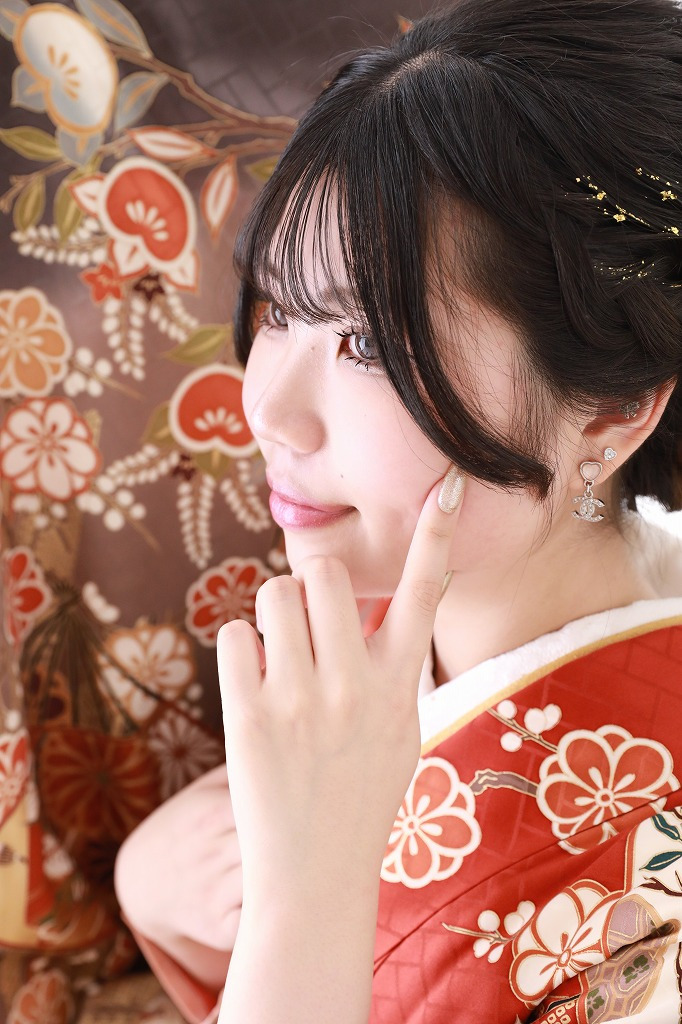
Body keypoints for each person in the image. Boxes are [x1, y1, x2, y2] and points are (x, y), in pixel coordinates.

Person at [115, 0, 682, 1020]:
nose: (268, 410)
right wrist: (150, 878)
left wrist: (305, 898)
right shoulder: (382, 604)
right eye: (279, 310)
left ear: (611, 412)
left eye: (367, 343)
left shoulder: (652, 873)